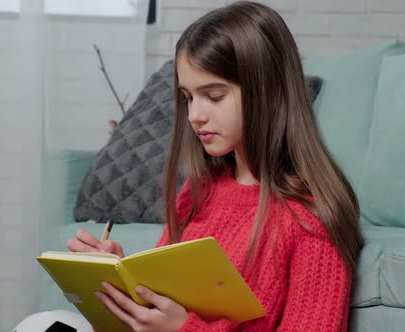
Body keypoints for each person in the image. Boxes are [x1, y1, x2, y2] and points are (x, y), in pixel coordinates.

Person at [67, 1, 363, 331]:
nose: (195, 115)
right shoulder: (199, 192)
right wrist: (123, 288)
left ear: (268, 92)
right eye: (188, 97)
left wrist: (185, 329)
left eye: (214, 96)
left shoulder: (310, 216)